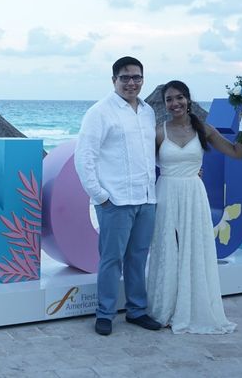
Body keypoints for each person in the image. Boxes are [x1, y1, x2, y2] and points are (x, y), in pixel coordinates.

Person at [147, 80, 242, 334]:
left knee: (193, 249)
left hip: (194, 195)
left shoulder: (204, 130)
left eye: (180, 97)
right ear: (164, 104)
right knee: (167, 249)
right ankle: (165, 309)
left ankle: (192, 307)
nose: (175, 103)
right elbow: (143, 166)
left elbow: (238, 153)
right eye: (170, 99)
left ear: (188, 100)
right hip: (167, 194)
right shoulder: (158, 131)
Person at [75, 56, 161, 335]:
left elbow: (150, 153)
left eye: (136, 77)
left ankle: (137, 311)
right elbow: (84, 156)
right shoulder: (99, 112)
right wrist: (100, 196)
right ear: (114, 80)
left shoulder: (148, 111)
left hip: (146, 198)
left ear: (143, 80)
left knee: (138, 257)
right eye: (125, 78)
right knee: (111, 260)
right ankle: (105, 314)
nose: (131, 83)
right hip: (115, 200)